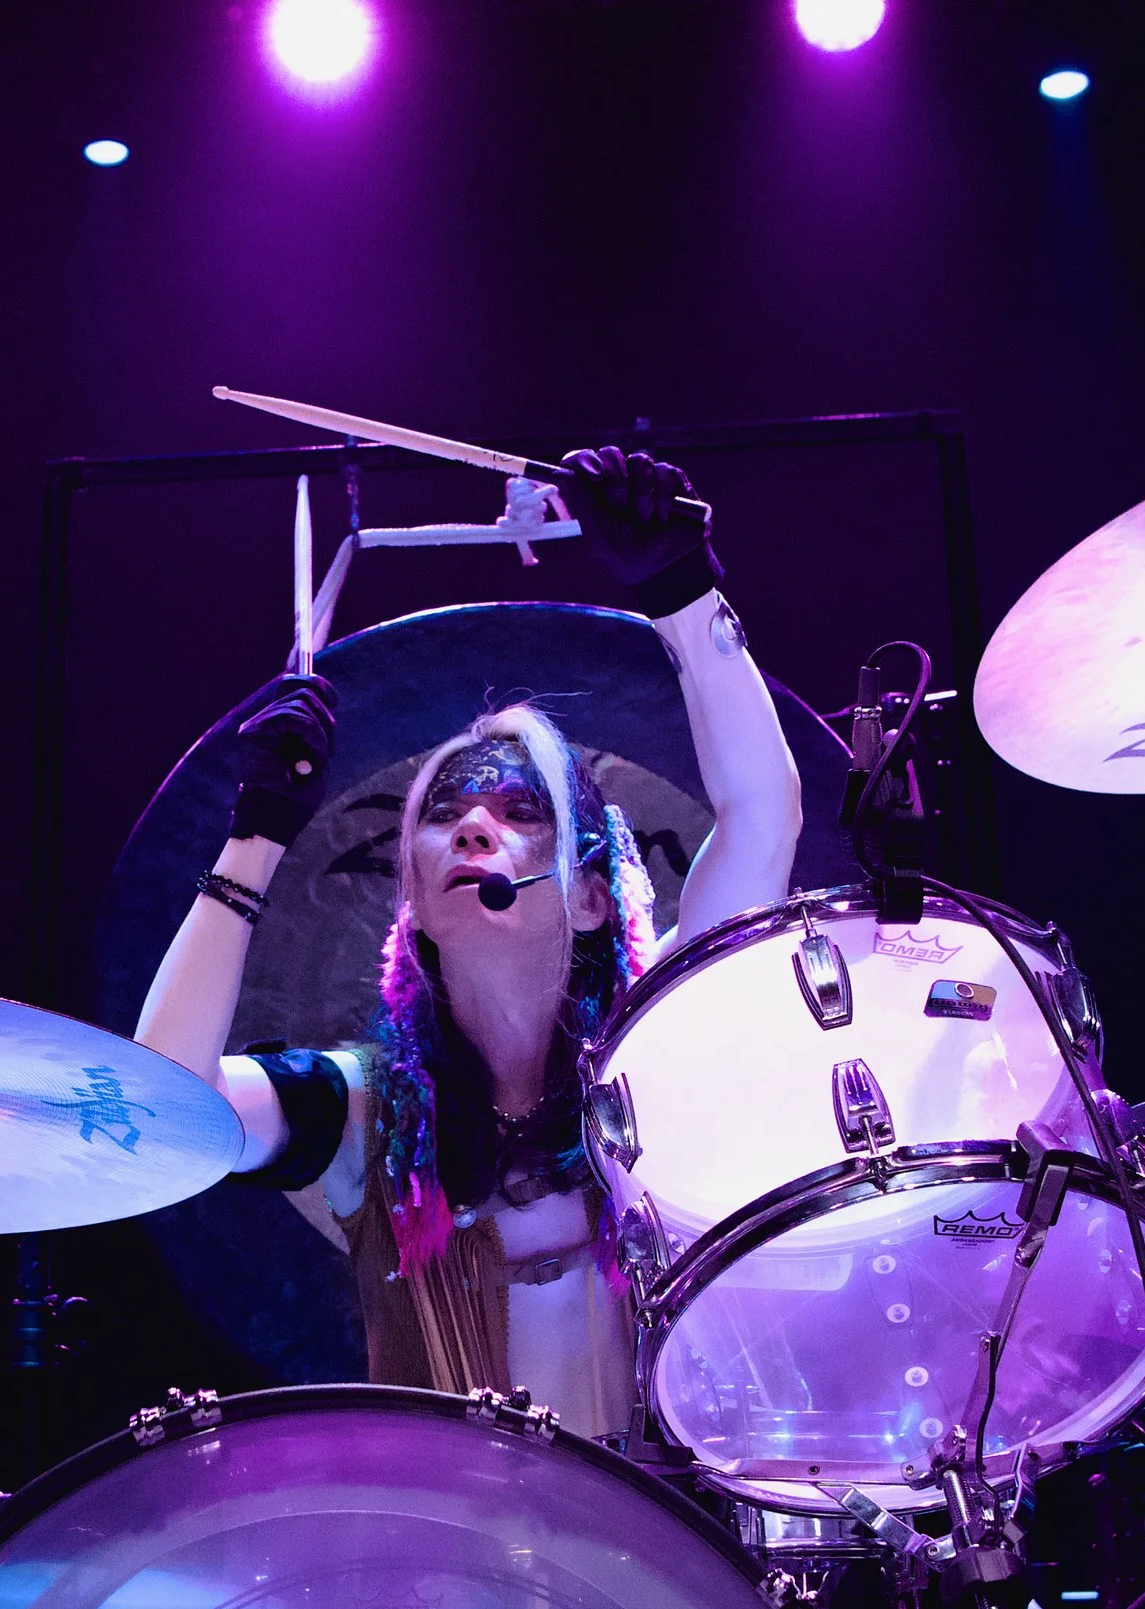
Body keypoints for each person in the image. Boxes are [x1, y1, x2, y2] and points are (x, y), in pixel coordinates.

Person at [134, 450, 802, 1440]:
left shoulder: (661, 1065)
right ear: (415, 904)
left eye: (519, 810)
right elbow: (162, 1109)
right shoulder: (361, 1113)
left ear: (587, 896)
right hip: (461, 1571)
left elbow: (761, 814)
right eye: (444, 815)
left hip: (680, 1567)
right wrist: (256, 833)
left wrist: (682, 593)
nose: (474, 827)